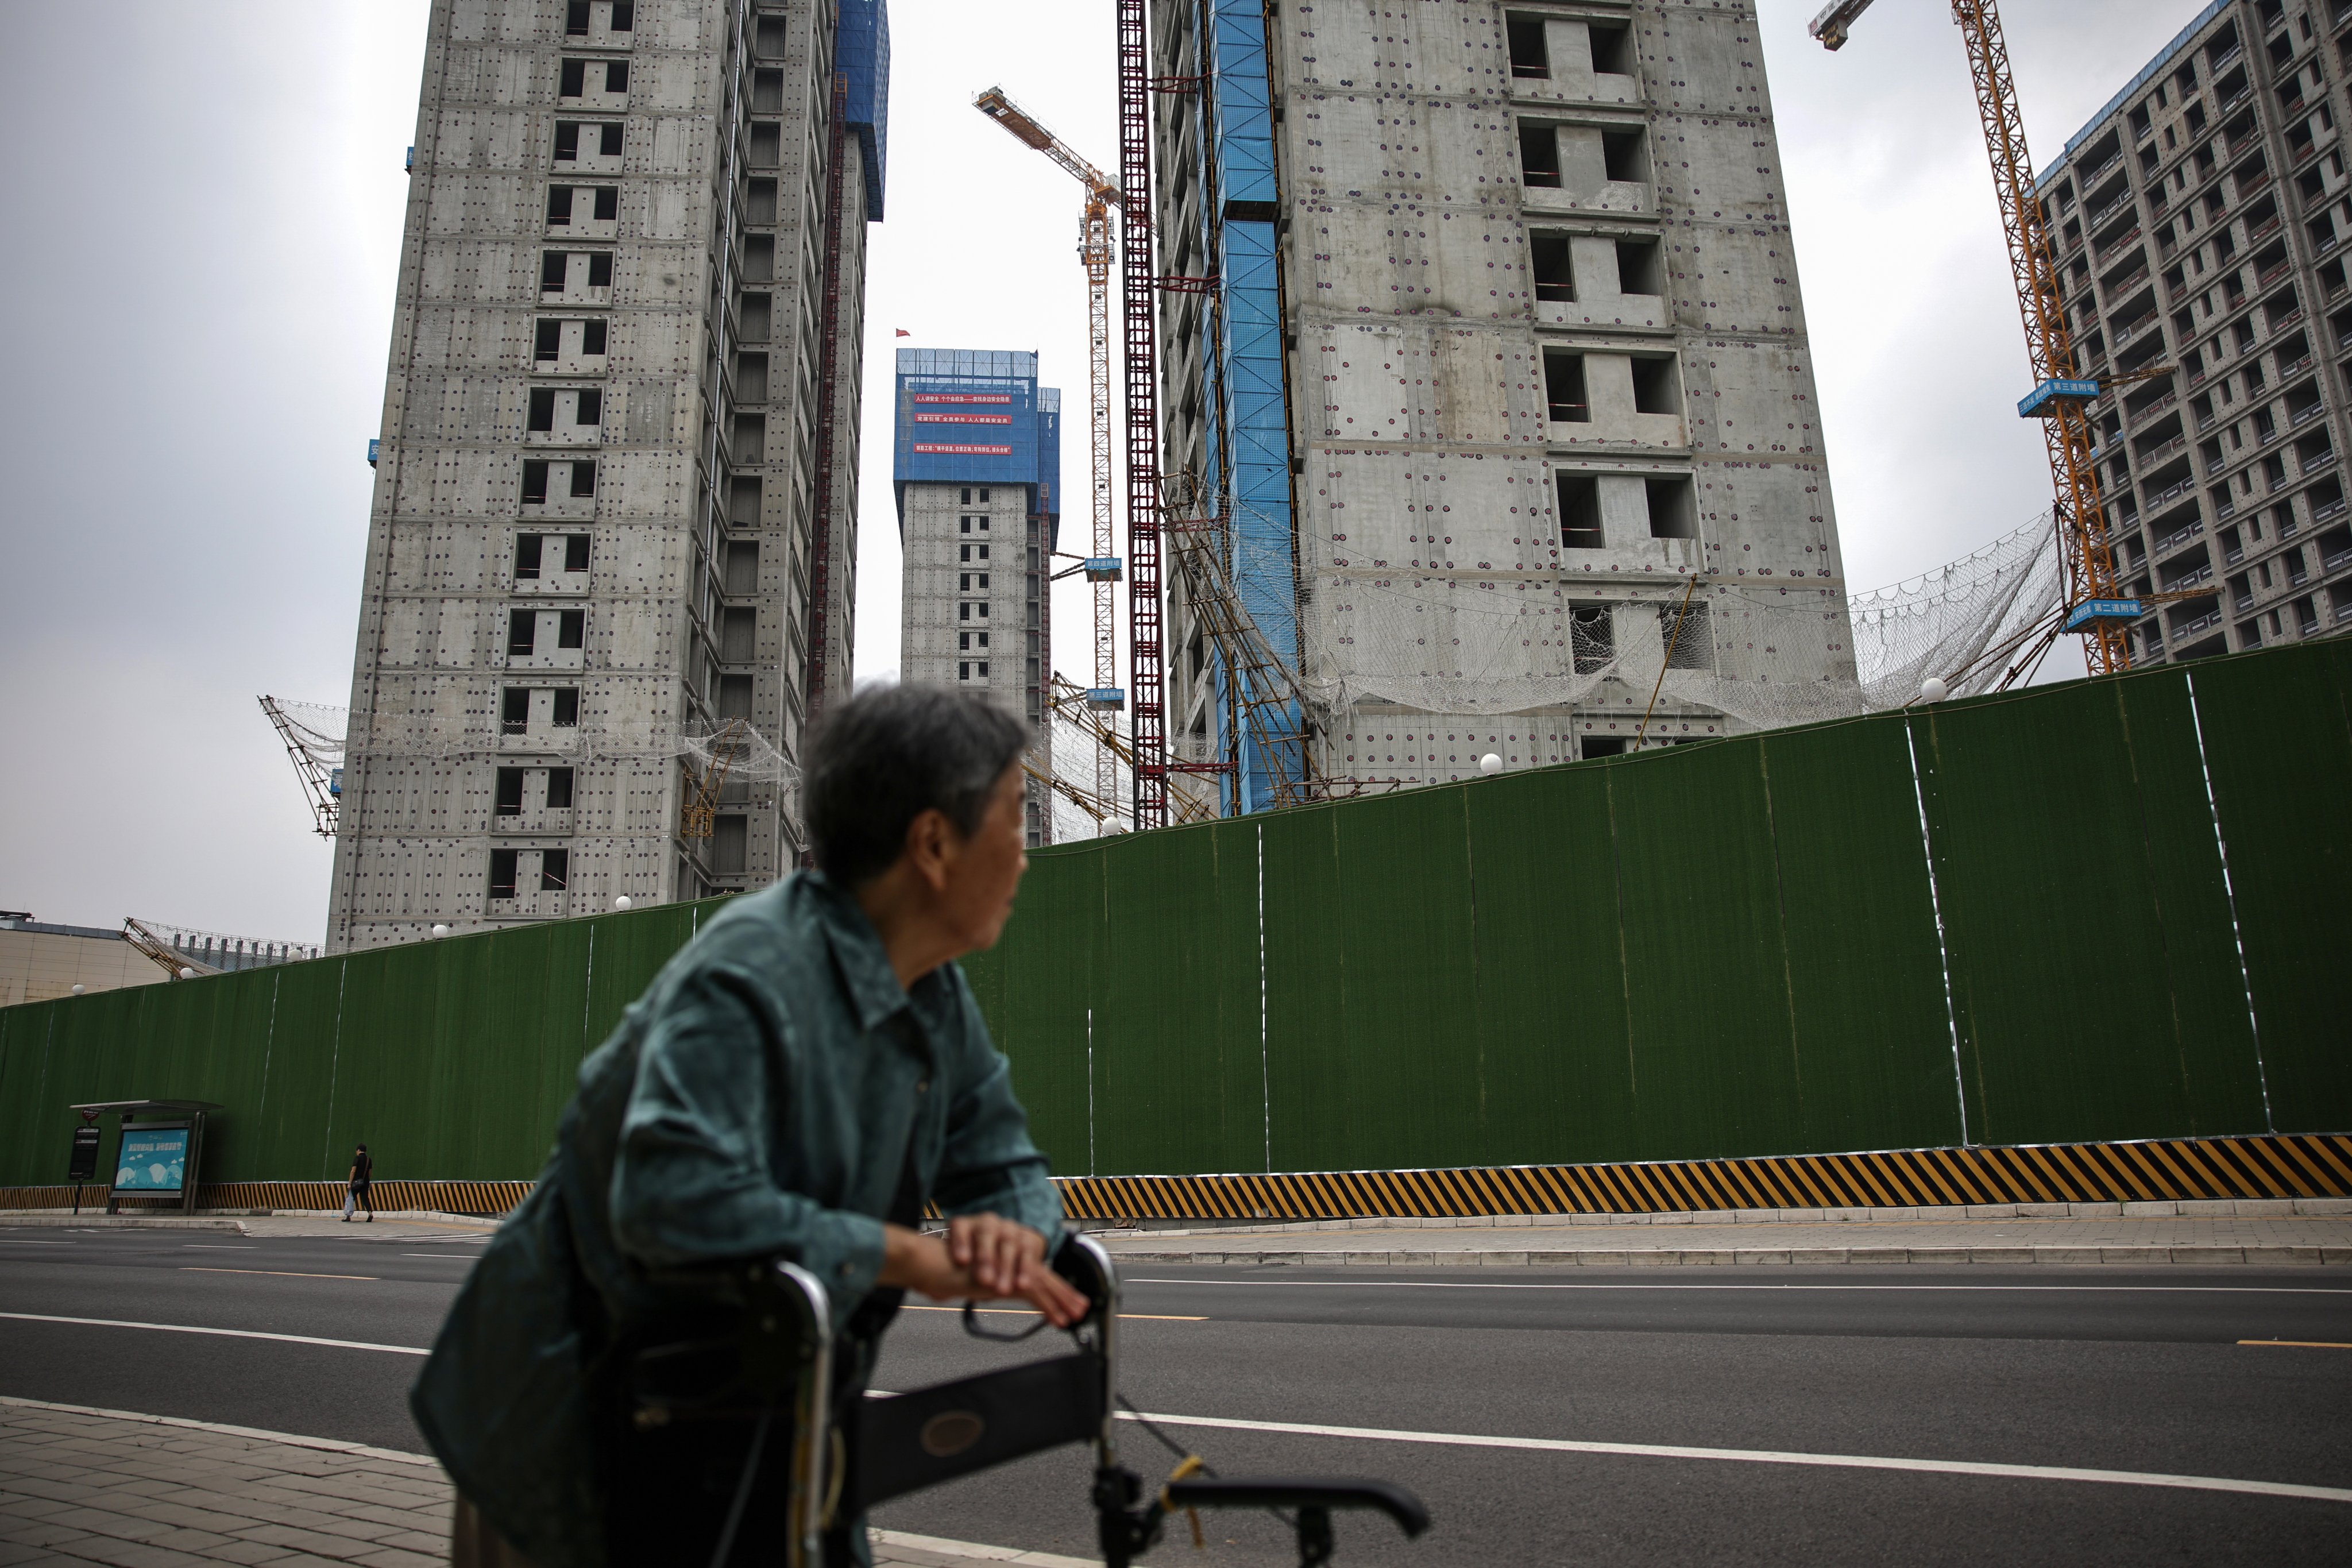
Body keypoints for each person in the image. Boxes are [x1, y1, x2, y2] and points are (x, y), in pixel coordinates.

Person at [412, 685, 1088, 1568]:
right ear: (931, 843)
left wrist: (1012, 1231)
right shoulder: (748, 973)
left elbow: (1007, 1164)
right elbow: (670, 1195)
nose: (1025, 854)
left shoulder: (934, 994)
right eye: (1012, 818)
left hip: (765, 1404)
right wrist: (909, 1255)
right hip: (585, 1409)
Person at [343, 1144, 373, 1222]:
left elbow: (353, 1171)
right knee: (365, 1198)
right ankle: (370, 1213)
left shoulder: (357, 1158)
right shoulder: (368, 1160)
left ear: (358, 1150)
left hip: (356, 1183)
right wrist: (367, 1181)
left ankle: (348, 1216)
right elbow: (370, 1173)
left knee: (351, 1198)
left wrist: (350, 1183)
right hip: (365, 1182)